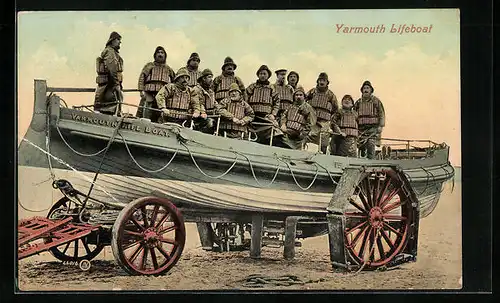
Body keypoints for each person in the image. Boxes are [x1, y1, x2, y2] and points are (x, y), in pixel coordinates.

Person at [136, 46, 176, 122]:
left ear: (165, 55)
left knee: (160, 111)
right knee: (147, 109)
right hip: (149, 92)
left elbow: (174, 81)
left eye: (162, 53)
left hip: (162, 94)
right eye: (158, 52)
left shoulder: (168, 69)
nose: (160, 54)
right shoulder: (149, 66)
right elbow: (142, 77)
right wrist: (141, 91)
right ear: (155, 55)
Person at [245, 65, 281, 145]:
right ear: (258, 75)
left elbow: (277, 102)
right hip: (252, 114)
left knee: (275, 128)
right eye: (261, 73)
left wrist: (273, 114)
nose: (262, 75)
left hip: (266, 116)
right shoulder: (252, 87)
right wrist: (247, 110)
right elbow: (245, 99)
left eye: (264, 74)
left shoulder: (272, 88)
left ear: (268, 75)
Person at [305, 72, 339, 154]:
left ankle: (323, 155)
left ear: (327, 82)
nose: (322, 82)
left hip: (324, 121)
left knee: (323, 141)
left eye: (324, 80)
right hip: (312, 121)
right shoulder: (312, 92)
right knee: (308, 137)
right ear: (317, 81)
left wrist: (329, 117)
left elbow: (335, 108)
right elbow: (304, 100)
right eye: (320, 80)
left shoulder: (331, 95)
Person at [94, 31, 124, 115]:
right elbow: (112, 69)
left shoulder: (111, 52)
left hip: (109, 86)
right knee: (109, 110)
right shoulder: (110, 52)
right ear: (113, 40)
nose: (119, 42)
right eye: (118, 39)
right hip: (109, 87)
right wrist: (116, 84)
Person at [354, 80, 386, 159]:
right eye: (364, 88)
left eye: (367, 88)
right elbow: (353, 114)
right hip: (360, 129)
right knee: (360, 146)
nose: (366, 90)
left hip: (373, 129)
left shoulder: (376, 101)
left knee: (371, 144)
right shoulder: (358, 102)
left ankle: (371, 160)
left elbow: (381, 113)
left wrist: (381, 126)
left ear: (371, 90)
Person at [193, 68, 217, 134]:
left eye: (212, 77)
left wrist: (219, 108)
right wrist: (202, 112)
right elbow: (197, 103)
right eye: (209, 77)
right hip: (197, 117)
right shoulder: (196, 90)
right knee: (210, 123)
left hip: (209, 116)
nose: (211, 80)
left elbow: (214, 103)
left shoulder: (211, 92)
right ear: (203, 78)